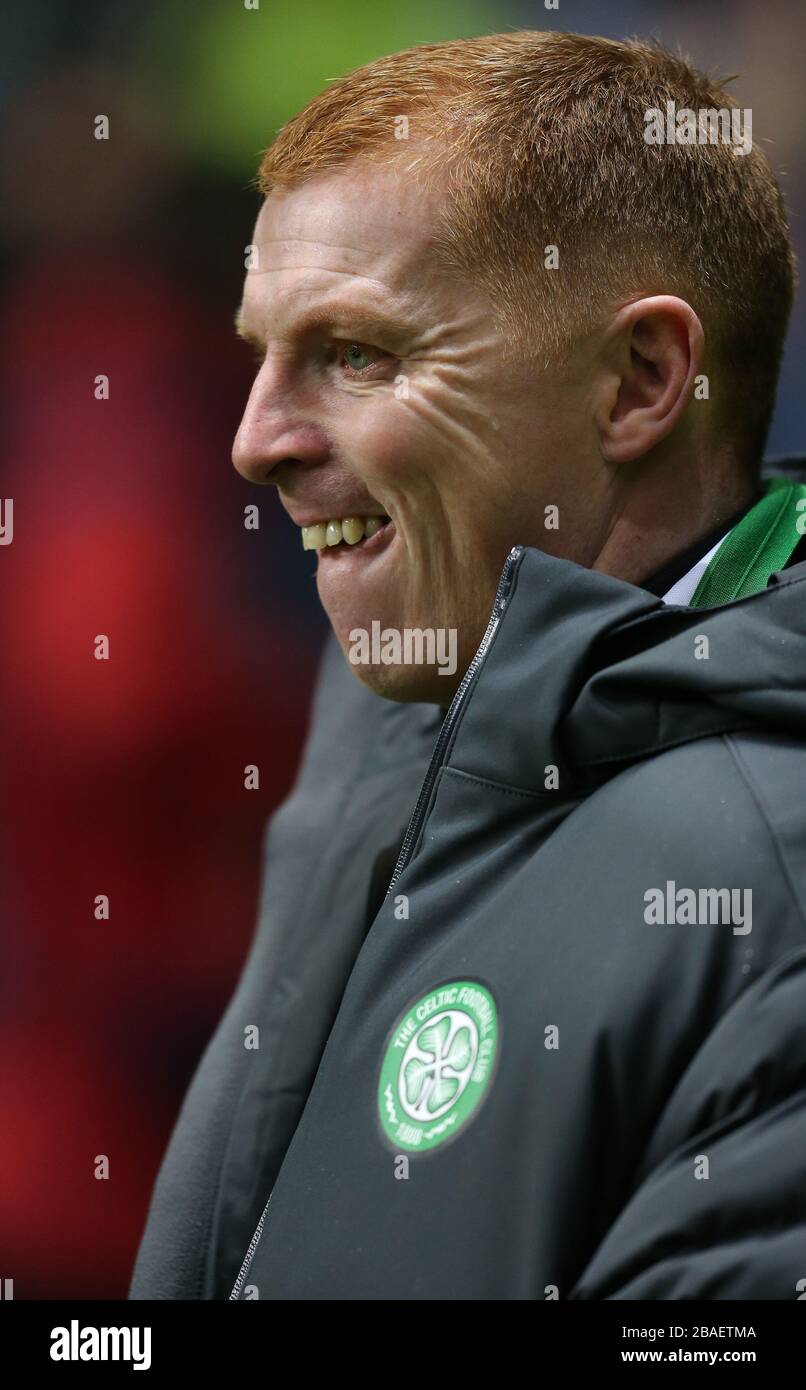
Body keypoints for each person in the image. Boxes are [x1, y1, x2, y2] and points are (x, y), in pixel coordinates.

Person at [130, 31, 806, 1301]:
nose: (252, 440)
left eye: (356, 353)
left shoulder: (768, 886)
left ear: (638, 382)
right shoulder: (391, 724)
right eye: (259, 351)